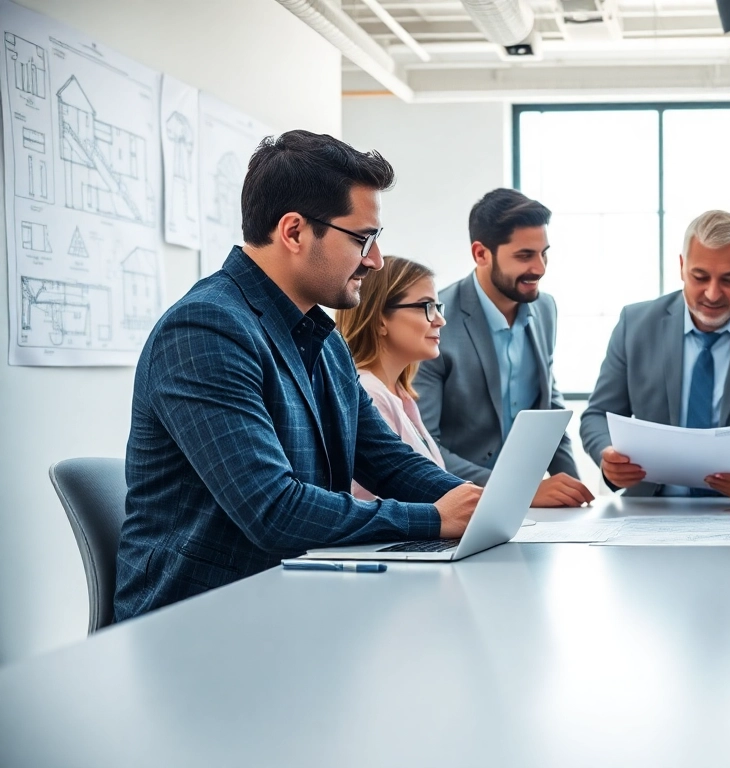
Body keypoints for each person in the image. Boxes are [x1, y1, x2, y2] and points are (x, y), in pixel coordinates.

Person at [116, 130, 482, 620]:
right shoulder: (206, 329)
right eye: (363, 238)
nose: (374, 259)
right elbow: (273, 509)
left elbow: (385, 459)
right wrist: (436, 519)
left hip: (293, 604)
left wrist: (478, 506)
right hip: (200, 623)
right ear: (293, 232)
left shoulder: (321, 337)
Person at [580, 210, 730, 502]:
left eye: (729, 279)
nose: (712, 294)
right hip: (651, 504)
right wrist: (609, 456)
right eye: (700, 277)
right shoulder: (635, 325)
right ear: (682, 266)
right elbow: (597, 416)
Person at [414, 188, 592, 508]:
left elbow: (548, 410)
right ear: (481, 254)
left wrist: (578, 496)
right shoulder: (435, 320)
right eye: (525, 255)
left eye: (544, 253)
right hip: (458, 505)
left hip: (529, 511)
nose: (540, 268)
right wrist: (516, 491)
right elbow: (424, 446)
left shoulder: (546, 309)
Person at [334, 256, 448, 500]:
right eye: (426, 306)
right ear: (380, 318)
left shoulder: (400, 395)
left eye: (438, 307)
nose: (440, 320)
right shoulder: (369, 393)